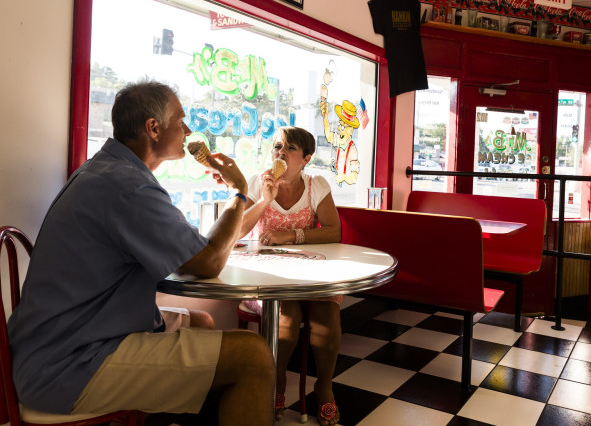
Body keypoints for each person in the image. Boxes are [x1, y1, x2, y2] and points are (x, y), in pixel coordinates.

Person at [8, 81, 275, 425]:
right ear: (153, 128)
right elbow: (208, 262)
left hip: (53, 340)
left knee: (202, 322)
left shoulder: (106, 169)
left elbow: (190, 249)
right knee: (253, 357)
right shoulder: (129, 187)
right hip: (69, 364)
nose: (188, 130)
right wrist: (239, 191)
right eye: (181, 121)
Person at [239, 126, 342, 426]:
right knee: (286, 316)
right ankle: (277, 382)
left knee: (328, 315)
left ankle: (324, 387)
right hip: (267, 275)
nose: (280, 153)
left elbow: (334, 231)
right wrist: (263, 199)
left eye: (290, 148)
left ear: (306, 158)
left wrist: (291, 236)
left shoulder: (316, 185)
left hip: (307, 274)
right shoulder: (258, 182)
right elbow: (239, 230)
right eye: (277, 147)